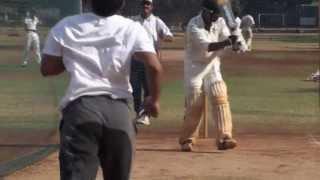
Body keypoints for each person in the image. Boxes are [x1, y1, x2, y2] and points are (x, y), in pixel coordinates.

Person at [41, 0, 163, 179]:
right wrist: (154, 100)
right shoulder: (132, 28)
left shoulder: (66, 25)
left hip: (81, 110)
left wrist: (72, 58)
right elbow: (155, 67)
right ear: (121, 4)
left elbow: (47, 69)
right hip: (119, 113)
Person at [179, 0, 240, 152]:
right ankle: (188, 138)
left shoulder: (219, 21)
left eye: (219, 14)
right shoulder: (193, 26)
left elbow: (227, 38)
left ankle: (224, 137)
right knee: (195, 103)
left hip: (212, 65)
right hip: (195, 68)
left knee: (219, 93)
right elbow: (209, 46)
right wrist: (228, 42)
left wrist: (235, 42)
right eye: (215, 14)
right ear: (205, 11)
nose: (217, 17)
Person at [130, 0, 173, 125]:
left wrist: (163, 36)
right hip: (136, 60)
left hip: (150, 61)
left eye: (148, 4)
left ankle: (145, 114)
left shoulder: (157, 21)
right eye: (143, 4)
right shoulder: (134, 21)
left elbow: (170, 36)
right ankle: (139, 113)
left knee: (149, 89)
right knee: (135, 89)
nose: (145, 6)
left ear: (152, 7)